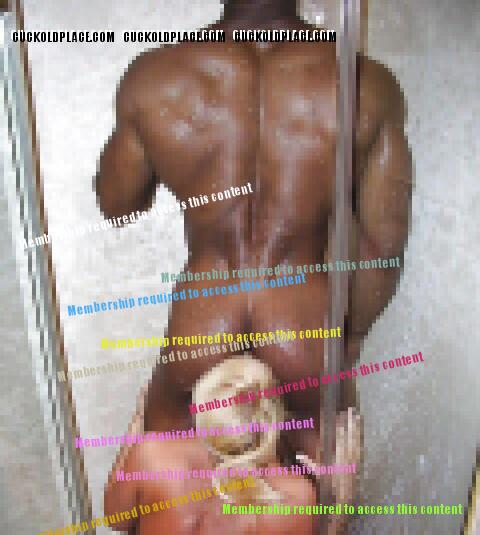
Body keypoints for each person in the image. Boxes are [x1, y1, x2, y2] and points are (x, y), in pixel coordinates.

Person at [98, 0, 412, 532]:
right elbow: (382, 241)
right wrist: (347, 338)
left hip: (203, 319)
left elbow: (117, 203)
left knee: (158, 496)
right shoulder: (366, 84)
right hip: (303, 322)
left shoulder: (155, 77)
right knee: (317, 509)